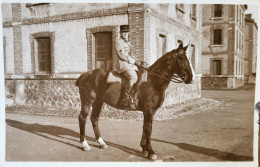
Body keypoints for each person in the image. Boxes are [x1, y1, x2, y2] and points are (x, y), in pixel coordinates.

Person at [115, 25, 141, 107]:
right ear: (120, 33)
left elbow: (131, 55)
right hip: (123, 65)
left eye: (126, 32)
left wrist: (138, 62)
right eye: (123, 32)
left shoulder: (128, 43)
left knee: (141, 74)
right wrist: (133, 61)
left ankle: (137, 97)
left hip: (130, 64)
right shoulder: (118, 42)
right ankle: (127, 99)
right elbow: (121, 55)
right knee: (133, 77)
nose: (125, 34)